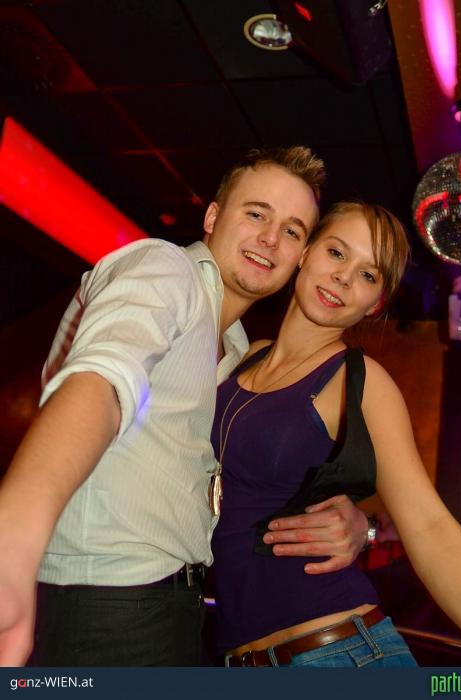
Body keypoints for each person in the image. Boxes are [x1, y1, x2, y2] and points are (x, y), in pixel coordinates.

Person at [0, 148, 370, 667]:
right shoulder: (164, 268)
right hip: (105, 601)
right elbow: (100, 383)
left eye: (291, 230)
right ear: (213, 217)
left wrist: (354, 523)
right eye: (256, 214)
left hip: (171, 607)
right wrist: (12, 543)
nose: (270, 238)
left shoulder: (237, 351)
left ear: (300, 256)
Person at [211, 201, 461, 668]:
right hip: (243, 662)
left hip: (339, 656)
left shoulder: (359, 380)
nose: (344, 278)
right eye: (336, 252)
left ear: (377, 303)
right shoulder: (246, 356)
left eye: (368, 275)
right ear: (305, 252)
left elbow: (429, 526)